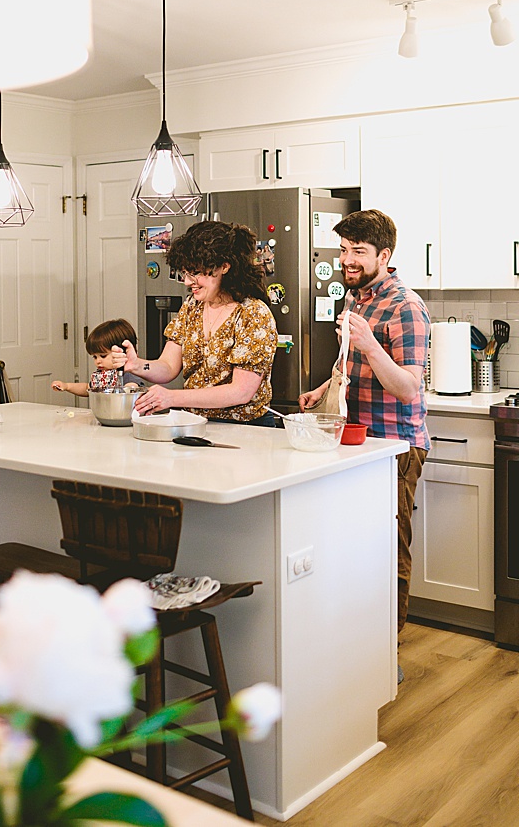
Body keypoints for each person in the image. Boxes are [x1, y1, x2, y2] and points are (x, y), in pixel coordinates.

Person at [299, 209, 429, 660]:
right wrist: (323, 387)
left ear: (384, 255)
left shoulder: (404, 305)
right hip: (356, 439)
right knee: (355, 546)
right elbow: (349, 364)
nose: (347, 260)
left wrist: (371, 343)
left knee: (388, 550)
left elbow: (409, 387)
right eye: (343, 250)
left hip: (395, 444)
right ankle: (357, 647)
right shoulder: (358, 298)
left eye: (358, 252)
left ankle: (383, 652)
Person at [123, 221, 279, 422]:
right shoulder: (192, 307)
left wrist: (171, 397)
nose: (187, 282)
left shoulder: (253, 314)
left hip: (246, 428)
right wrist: (137, 365)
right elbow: (169, 366)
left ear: (224, 266)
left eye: (195, 273)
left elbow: (240, 392)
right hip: (196, 423)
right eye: (185, 273)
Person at [52, 318, 143, 397]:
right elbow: (87, 388)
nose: (98, 361)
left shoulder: (128, 373)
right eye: (95, 357)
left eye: (103, 356)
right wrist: (67, 386)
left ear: (123, 353)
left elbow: (133, 388)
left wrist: (129, 388)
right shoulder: (102, 374)